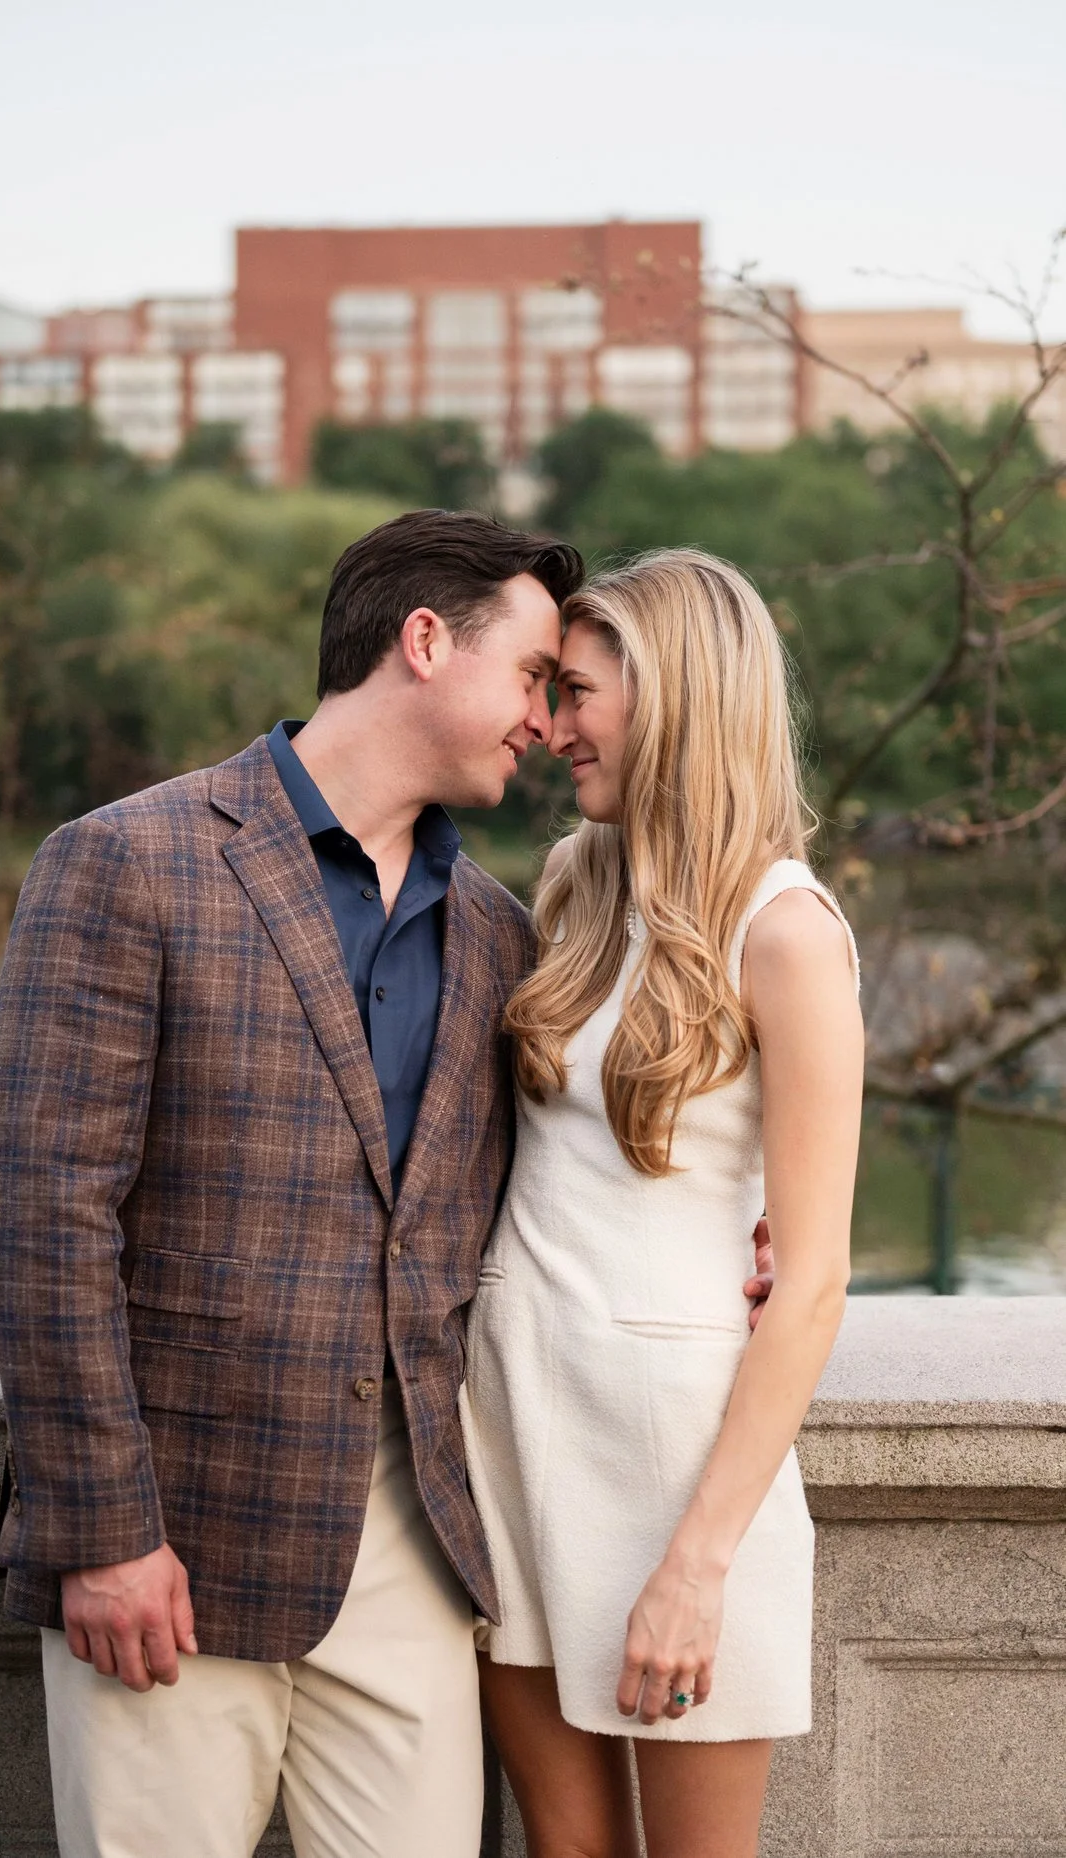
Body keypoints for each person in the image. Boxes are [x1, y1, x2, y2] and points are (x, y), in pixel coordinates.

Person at [0, 508, 583, 1858]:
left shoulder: (499, 933)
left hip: (416, 1559)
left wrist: (743, 1231)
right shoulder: (124, 860)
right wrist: (104, 1531)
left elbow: (535, 1194)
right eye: (536, 674)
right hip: (171, 1550)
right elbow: (44, 1223)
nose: (545, 719)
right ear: (426, 641)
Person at [467, 549, 861, 1856]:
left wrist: (695, 1567)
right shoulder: (578, 886)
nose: (549, 723)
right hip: (512, 1422)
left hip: (676, 1465)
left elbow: (809, 1282)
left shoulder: (789, 933)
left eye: (574, 691)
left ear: (679, 693)